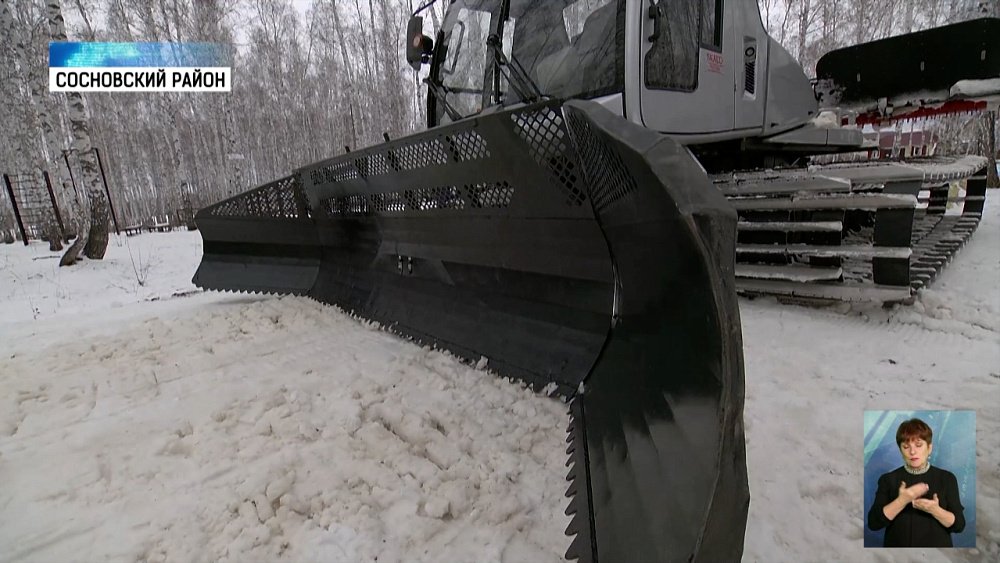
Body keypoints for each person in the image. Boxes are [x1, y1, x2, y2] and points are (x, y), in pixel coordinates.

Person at [867, 418, 966, 547]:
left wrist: (935, 510)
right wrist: (901, 501)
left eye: (918, 445)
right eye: (906, 447)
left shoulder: (946, 478)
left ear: (929, 448)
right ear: (900, 450)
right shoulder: (887, 479)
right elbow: (873, 524)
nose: (912, 452)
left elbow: (959, 526)